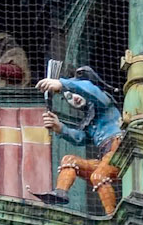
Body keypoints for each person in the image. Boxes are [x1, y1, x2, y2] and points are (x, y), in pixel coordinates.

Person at [35, 67, 124, 213]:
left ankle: (111, 214)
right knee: (70, 160)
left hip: (118, 150)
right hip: (105, 158)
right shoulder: (89, 120)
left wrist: (63, 84)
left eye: (75, 93)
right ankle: (60, 192)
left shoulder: (103, 101)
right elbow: (80, 138)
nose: (74, 98)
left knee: (98, 176)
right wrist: (60, 127)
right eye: (69, 97)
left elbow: (91, 91)